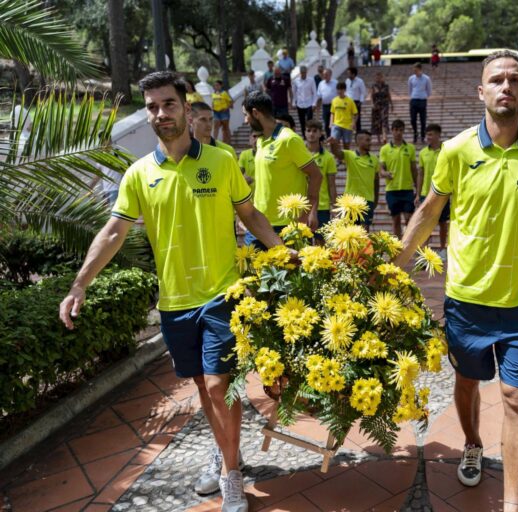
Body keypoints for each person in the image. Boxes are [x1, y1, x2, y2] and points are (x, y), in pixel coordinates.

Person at [59, 71, 286, 512]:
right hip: (174, 303)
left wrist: (284, 252)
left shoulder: (221, 162)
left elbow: (250, 215)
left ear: (185, 106)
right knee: (204, 387)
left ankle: (230, 475)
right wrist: (79, 284)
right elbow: (112, 233)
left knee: (222, 386)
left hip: (223, 294)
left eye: (168, 103)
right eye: (152, 107)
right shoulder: (139, 174)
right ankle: (226, 453)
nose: (160, 113)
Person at [393, 50, 518, 512]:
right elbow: (428, 212)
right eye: (496, 79)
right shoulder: (456, 151)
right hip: (467, 300)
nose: (505, 86)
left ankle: (513, 505)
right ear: (481, 92)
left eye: (514, 79)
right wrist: (395, 268)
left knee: (517, 397)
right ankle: (473, 442)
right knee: (466, 384)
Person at [242, 92, 322, 248]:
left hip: (287, 226)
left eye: (246, 115)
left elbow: (316, 176)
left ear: (256, 113)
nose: (245, 120)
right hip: (258, 224)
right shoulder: (260, 140)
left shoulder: (289, 139)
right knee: (250, 271)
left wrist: (306, 215)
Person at [329, 130, 380, 230]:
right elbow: (337, 152)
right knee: (349, 231)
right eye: (367, 140)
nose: (370, 142)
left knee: (364, 232)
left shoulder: (374, 159)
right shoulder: (349, 155)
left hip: (367, 200)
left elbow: (376, 181)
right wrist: (333, 143)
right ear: (359, 141)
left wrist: (376, 199)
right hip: (350, 201)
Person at [380, 119, 417, 238]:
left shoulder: (410, 148)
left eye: (401, 130)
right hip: (392, 189)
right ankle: (397, 248)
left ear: (403, 131)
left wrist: (417, 187)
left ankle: (407, 243)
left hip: (407, 189)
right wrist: (385, 173)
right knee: (395, 220)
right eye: (396, 130)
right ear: (392, 131)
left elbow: (414, 169)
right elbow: (381, 169)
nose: (398, 132)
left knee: (408, 218)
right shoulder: (385, 149)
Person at [415, 124, 448, 255]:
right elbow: (420, 174)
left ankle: (442, 249)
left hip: (443, 192)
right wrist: (417, 194)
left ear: (438, 135)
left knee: (443, 222)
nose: (428, 137)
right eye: (427, 134)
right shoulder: (423, 153)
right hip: (426, 193)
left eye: (431, 134)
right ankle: (425, 251)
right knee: (426, 224)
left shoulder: (446, 150)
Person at [305, 119, 337, 241]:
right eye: (308, 131)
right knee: (303, 245)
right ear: (305, 133)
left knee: (321, 243)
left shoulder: (328, 157)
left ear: (320, 133)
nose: (311, 134)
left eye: (314, 131)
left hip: (322, 206)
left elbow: (332, 185)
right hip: (302, 205)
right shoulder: (299, 154)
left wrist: (334, 206)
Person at [408, 63, 433, 144]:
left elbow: (429, 90)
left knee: (423, 120)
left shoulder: (426, 78)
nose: (414, 71)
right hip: (414, 100)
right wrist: (412, 96)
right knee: (413, 119)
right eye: (414, 70)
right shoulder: (411, 78)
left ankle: (422, 135)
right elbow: (410, 89)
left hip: (422, 100)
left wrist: (425, 96)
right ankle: (415, 133)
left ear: (420, 69)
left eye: (416, 70)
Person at [330, 82, 358, 150]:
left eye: (341, 89)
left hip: (347, 126)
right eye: (338, 89)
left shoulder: (350, 101)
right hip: (337, 125)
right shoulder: (334, 100)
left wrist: (354, 123)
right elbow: (332, 113)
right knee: (334, 142)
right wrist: (331, 123)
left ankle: (345, 159)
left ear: (345, 90)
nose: (339, 91)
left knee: (346, 146)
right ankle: (338, 158)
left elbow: (355, 114)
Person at [293, 65, 318, 138]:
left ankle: (311, 135)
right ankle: (304, 136)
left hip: (309, 104)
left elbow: (314, 93)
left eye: (304, 72)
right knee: (302, 121)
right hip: (300, 104)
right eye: (301, 72)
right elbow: (294, 93)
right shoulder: (296, 81)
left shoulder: (311, 80)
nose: (303, 74)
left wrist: (314, 103)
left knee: (309, 121)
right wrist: (293, 102)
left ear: (306, 72)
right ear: (300, 73)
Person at [371, 71, 393, 145]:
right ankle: (378, 139)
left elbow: (388, 95)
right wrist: (372, 104)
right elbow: (371, 96)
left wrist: (391, 104)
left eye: (380, 77)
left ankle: (384, 137)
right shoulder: (373, 86)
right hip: (376, 106)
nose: (379, 78)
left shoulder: (386, 86)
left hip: (384, 105)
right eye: (377, 77)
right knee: (377, 122)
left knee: (384, 120)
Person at [238, 128, 261, 196]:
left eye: (260, 137)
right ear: (249, 138)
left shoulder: (269, 154)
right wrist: (243, 180)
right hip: (250, 198)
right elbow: (237, 175)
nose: (257, 140)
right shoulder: (244, 154)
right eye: (254, 136)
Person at [211, 80, 233, 144]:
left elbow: (231, 102)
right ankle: (214, 142)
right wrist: (212, 107)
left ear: (221, 85)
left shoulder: (224, 93)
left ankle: (228, 142)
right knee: (215, 126)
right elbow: (213, 102)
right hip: (216, 112)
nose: (216, 86)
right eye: (215, 85)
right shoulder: (213, 94)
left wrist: (226, 108)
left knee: (225, 128)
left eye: (217, 85)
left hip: (224, 112)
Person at [346, 67, 366, 132]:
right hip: (348, 102)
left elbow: (363, 92)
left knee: (357, 119)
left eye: (349, 74)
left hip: (356, 101)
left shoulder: (360, 81)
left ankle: (358, 134)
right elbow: (346, 91)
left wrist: (361, 101)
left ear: (353, 74)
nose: (348, 75)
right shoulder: (347, 81)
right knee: (348, 118)